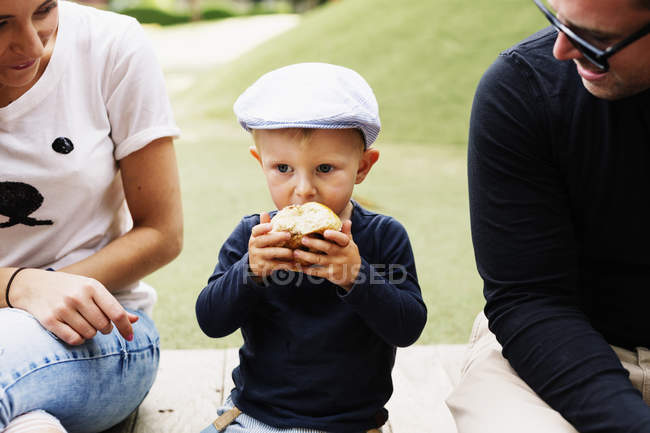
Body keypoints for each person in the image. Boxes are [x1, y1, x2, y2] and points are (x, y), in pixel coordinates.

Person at [445, 0, 650, 432]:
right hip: (546, 354)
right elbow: (530, 301)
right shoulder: (522, 88)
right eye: (556, 19)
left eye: (594, 40)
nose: (561, 49)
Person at [195, 63, 427, 433]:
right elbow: (211, 320)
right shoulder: (254, 236)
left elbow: (407, 327)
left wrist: (357, 276)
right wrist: (249, 271)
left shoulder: (384, 237)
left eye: (324, 168)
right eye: (283, 168)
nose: (303, 189)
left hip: (349, 424)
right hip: (256, 416)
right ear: (261, 163)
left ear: (363, 167)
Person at [0, 0, 182, 432]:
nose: (32, 45)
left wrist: (55, 289)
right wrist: (19, 285)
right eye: (0, 23)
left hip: (98, 329)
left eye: (44, 10)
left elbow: (161, 232)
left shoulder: (111, 45)